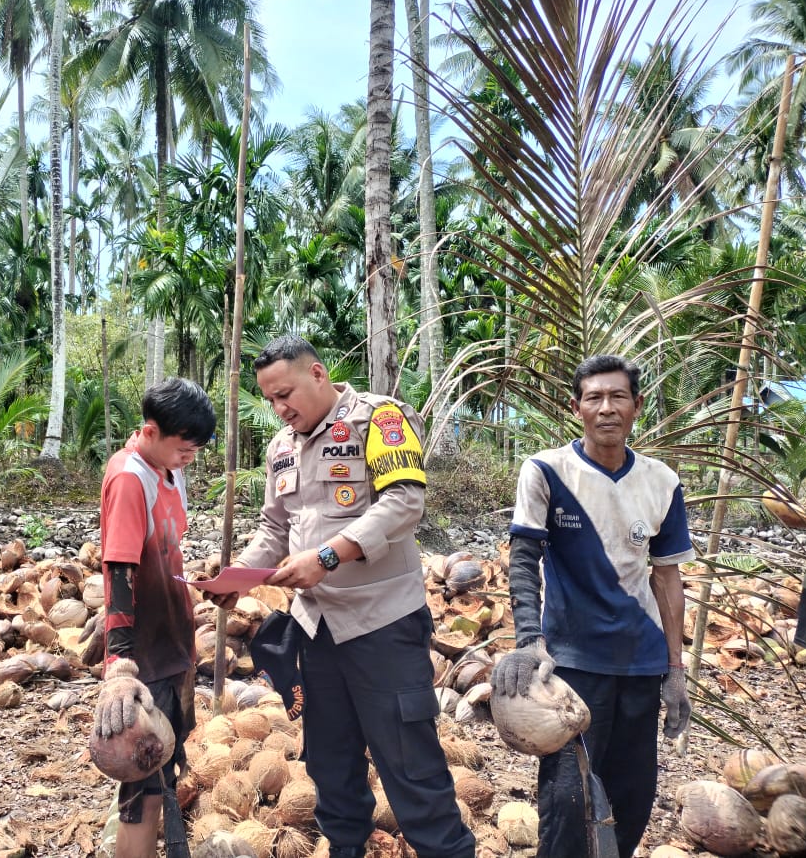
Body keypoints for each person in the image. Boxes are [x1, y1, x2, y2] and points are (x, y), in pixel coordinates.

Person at [231, 335, 475, 858]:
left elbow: (405, 502)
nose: (279, 408)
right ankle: (345, 847)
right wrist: (238, 578)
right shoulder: (281, 448)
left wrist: (326, 557)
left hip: (381, 625)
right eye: (270, 400)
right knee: (331, 763)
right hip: (316, 630)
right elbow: (275, 528)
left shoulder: (377, 419)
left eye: (285, 394)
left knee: (410, 764)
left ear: (318, 374)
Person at [490, 354, 695, 858]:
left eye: (618, 396)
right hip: (572, 666)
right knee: (568, 800)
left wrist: (675, 669)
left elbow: (667, 577)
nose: (607, 408)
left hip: (641, 662)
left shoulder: (662, 481)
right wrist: (529, 642)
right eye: (595, 398)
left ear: (637, 406)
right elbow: (524, 560)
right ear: (576, 407)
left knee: (632, 798)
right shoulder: (547, 471)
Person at [93, 377, 217, 858]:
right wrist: (120, 667)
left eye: (195, 451)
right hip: (144, 651)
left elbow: (168, 550)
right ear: (150, 431)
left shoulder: (168, 469)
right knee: (142, 786)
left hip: (172, 642)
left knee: (164, 768)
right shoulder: (130, 478)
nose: (189, 458)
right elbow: (120, 573)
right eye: (184, 449)